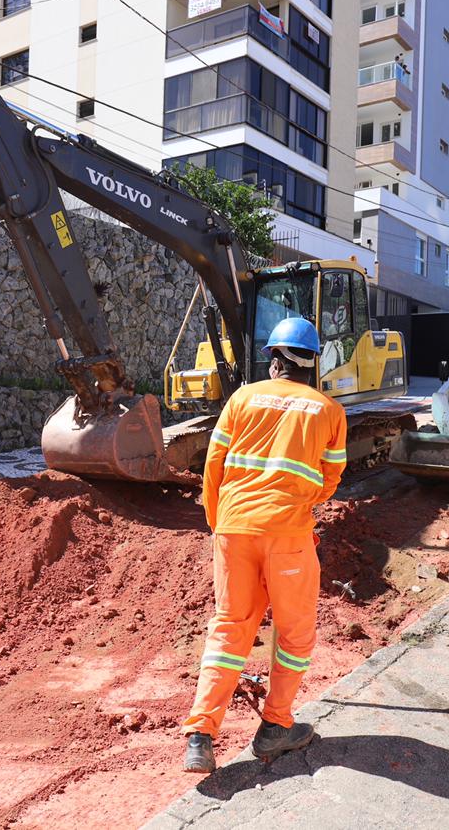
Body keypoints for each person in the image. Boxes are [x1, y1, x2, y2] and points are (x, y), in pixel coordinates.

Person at [182, 317, 348, 774]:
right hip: (289, 536)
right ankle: (275, 726)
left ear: (274, 361)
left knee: (230, 626)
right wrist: (295, 503)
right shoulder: (328, 411)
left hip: (234, 528)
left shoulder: (240, 398)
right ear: (313, 363)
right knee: (294, 634)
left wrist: (221, 524)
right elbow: (330, 480)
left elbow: (213, 466)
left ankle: (200, 735)